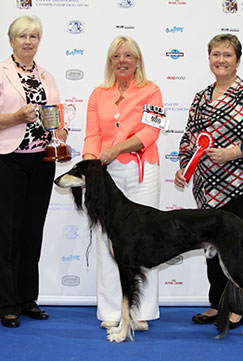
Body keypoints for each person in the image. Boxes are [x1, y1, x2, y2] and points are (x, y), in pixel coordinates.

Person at [175, 34, 243, 329]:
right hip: (207, 187)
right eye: (216, 54)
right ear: (209, 59)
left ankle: (237, 308)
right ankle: (216, 304)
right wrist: (185, 165)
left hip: (241, 184)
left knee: (236, 251)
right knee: (212, 250)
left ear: (238, 60)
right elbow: (188, 138)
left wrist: (235, 151)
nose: (221, 60)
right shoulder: (201, 97)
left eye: (227, 55)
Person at [83, 35, 164, 331]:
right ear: (110, 62)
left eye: (128, 56)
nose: (122, 61)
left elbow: (151, 132)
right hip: (108, 177)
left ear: (138, 61)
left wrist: (117, 148)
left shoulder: (151, 90)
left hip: (143, 173)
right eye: (116, 56)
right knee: (109, 244)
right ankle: (110, 309)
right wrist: (91, 164)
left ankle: (142, 310)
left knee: (145, 240)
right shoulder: (98, 94)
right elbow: (92, 135)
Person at [0, 15, 67, 328]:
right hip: (9, 160)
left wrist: (61, 133)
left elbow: (56, 115)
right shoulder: (2, 72)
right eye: (22, 36)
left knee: (32, 232)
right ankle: (7, 303)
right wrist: (15, 116)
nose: (28, 41)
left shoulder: (47, 76)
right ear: (12, 40)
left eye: (34, 36)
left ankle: (28, 300)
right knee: (8, 233)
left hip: (42, 161)